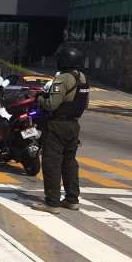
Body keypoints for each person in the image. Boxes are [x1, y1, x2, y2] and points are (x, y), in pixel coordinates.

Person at [31, 45, 90, 214]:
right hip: (73, 125)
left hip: (58, 124)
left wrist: (40, 97)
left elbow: (51, 104)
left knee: (51, 162)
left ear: (64, 61)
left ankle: (52, 203)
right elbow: (84, 103)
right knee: (69, 162)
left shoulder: (62, 79)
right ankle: (72, 200)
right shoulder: (83, 78)